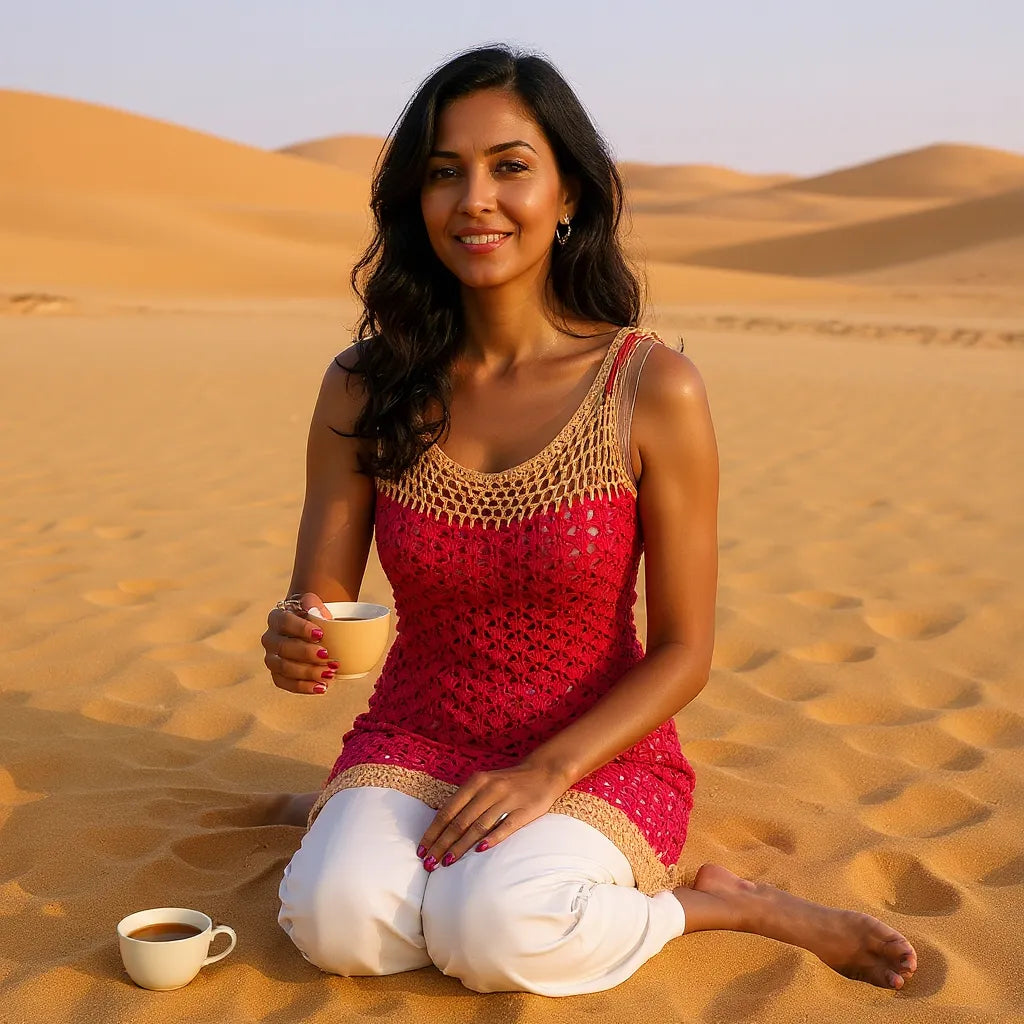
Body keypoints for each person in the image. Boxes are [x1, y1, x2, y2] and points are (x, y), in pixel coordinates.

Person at [261, 43, 918, 996]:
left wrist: (544, 773)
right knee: (337, 924)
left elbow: (686, 650)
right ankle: (359, 824)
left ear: (569, 195)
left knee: (495, 932)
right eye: (445, 174)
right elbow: (321, 595)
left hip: (592, 753)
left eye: (510, 167)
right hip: (414, 735)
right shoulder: (366, 387)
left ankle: (723, 902)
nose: (475, 198)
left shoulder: (650, 389)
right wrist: (298, 634)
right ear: (417, 201)